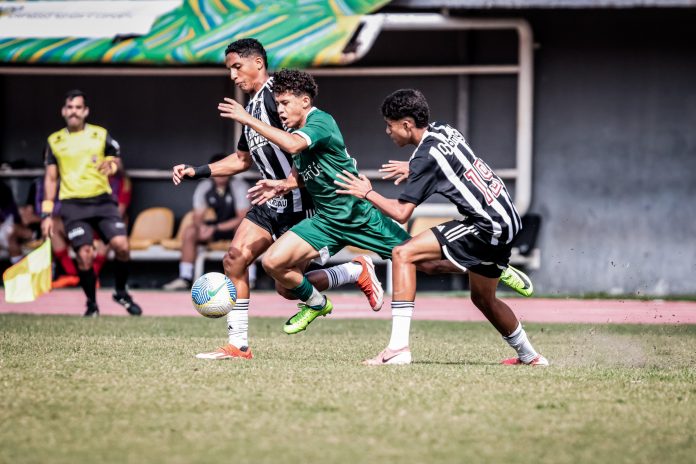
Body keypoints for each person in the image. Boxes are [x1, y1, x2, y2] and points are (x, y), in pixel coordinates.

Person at [172, 39, 382, 360]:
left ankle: (355, 270)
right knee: (234, 259)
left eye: (236, 66)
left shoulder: (277, 98)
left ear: (258, 62)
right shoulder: (253, 106)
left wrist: (285, 180)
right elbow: (241, 160)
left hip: (303, 206)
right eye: (229, 69)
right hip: (270, 204)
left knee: (286, 287)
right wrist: (197, 171)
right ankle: (238, 345)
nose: (232, 75)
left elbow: (302, 147)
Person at [334, 89, 548, 366]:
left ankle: (398, 349)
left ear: (407, 125)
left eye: (390, 125)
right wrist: (414, 168)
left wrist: (367, 193)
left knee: (403, 254)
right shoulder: (444, 130)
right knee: (482, 298)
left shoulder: (425, 159)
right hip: (507, 217)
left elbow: (401, 213)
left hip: (486, 225)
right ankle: (531, 356)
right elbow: (448, 160)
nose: (388, 131)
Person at [41, 89, 142, 317]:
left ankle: (121, 292)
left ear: (85, 111)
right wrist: (47, 215)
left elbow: (115, 158)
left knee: (122, 246)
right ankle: (91, 304)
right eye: (70, 107)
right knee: (85, 254)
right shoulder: (54, 141)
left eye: (78, 107)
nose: (74, 112)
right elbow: (50, 178)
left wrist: (113, 166)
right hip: (73, 205)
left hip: (103, 202)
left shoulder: (100, 135)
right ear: (63, 111)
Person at [164, 153, 251, 290]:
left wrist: (216, 228)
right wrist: (203, 228)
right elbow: (197, 216)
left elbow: (242, 217)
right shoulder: (204, 186)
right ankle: (185, 277)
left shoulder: (239, 186)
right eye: (218, 168)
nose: (221, 173)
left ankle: (250, 278)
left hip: (235, 228)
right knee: (190, 231)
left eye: (224, 168)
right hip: (214, 228)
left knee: (244, 231)